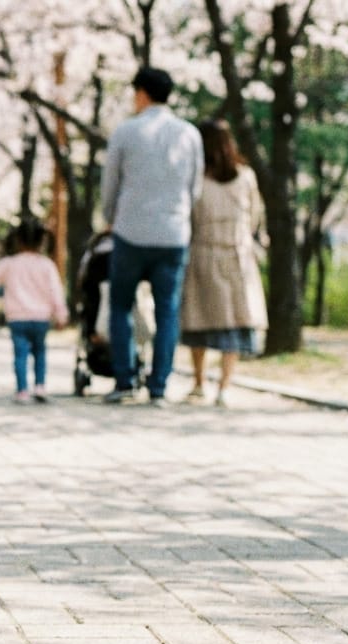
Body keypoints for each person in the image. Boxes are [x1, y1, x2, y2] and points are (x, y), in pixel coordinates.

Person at [100, 67, 204, 406]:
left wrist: (110, 218)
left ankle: (125, 380)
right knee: (167, 310)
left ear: (142, 93)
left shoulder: (126, 132)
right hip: (173, 235)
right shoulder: (189, 134)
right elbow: (195, 187)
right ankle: (159, 386)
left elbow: (110, 185)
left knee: (120, 306)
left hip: (130, 232)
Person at [181, 120, 268, 408]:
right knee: (234, 319)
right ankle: (225, 387)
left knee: (200, 319)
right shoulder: (245, 177)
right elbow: (255, 216)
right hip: (236, 253)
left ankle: (198, 383)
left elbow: (189, 217)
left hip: (203, 252)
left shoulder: (196, 178)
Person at [0, 219, 69, 404]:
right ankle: (40, 386)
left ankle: (22, 390)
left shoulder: (10, 263)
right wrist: (61, 315)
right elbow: (56, 292)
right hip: (41, 318)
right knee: (40, 352)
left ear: (18, 240)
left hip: (17, 318)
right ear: (42, 241)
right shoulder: (47, 265)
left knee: (20, 354)